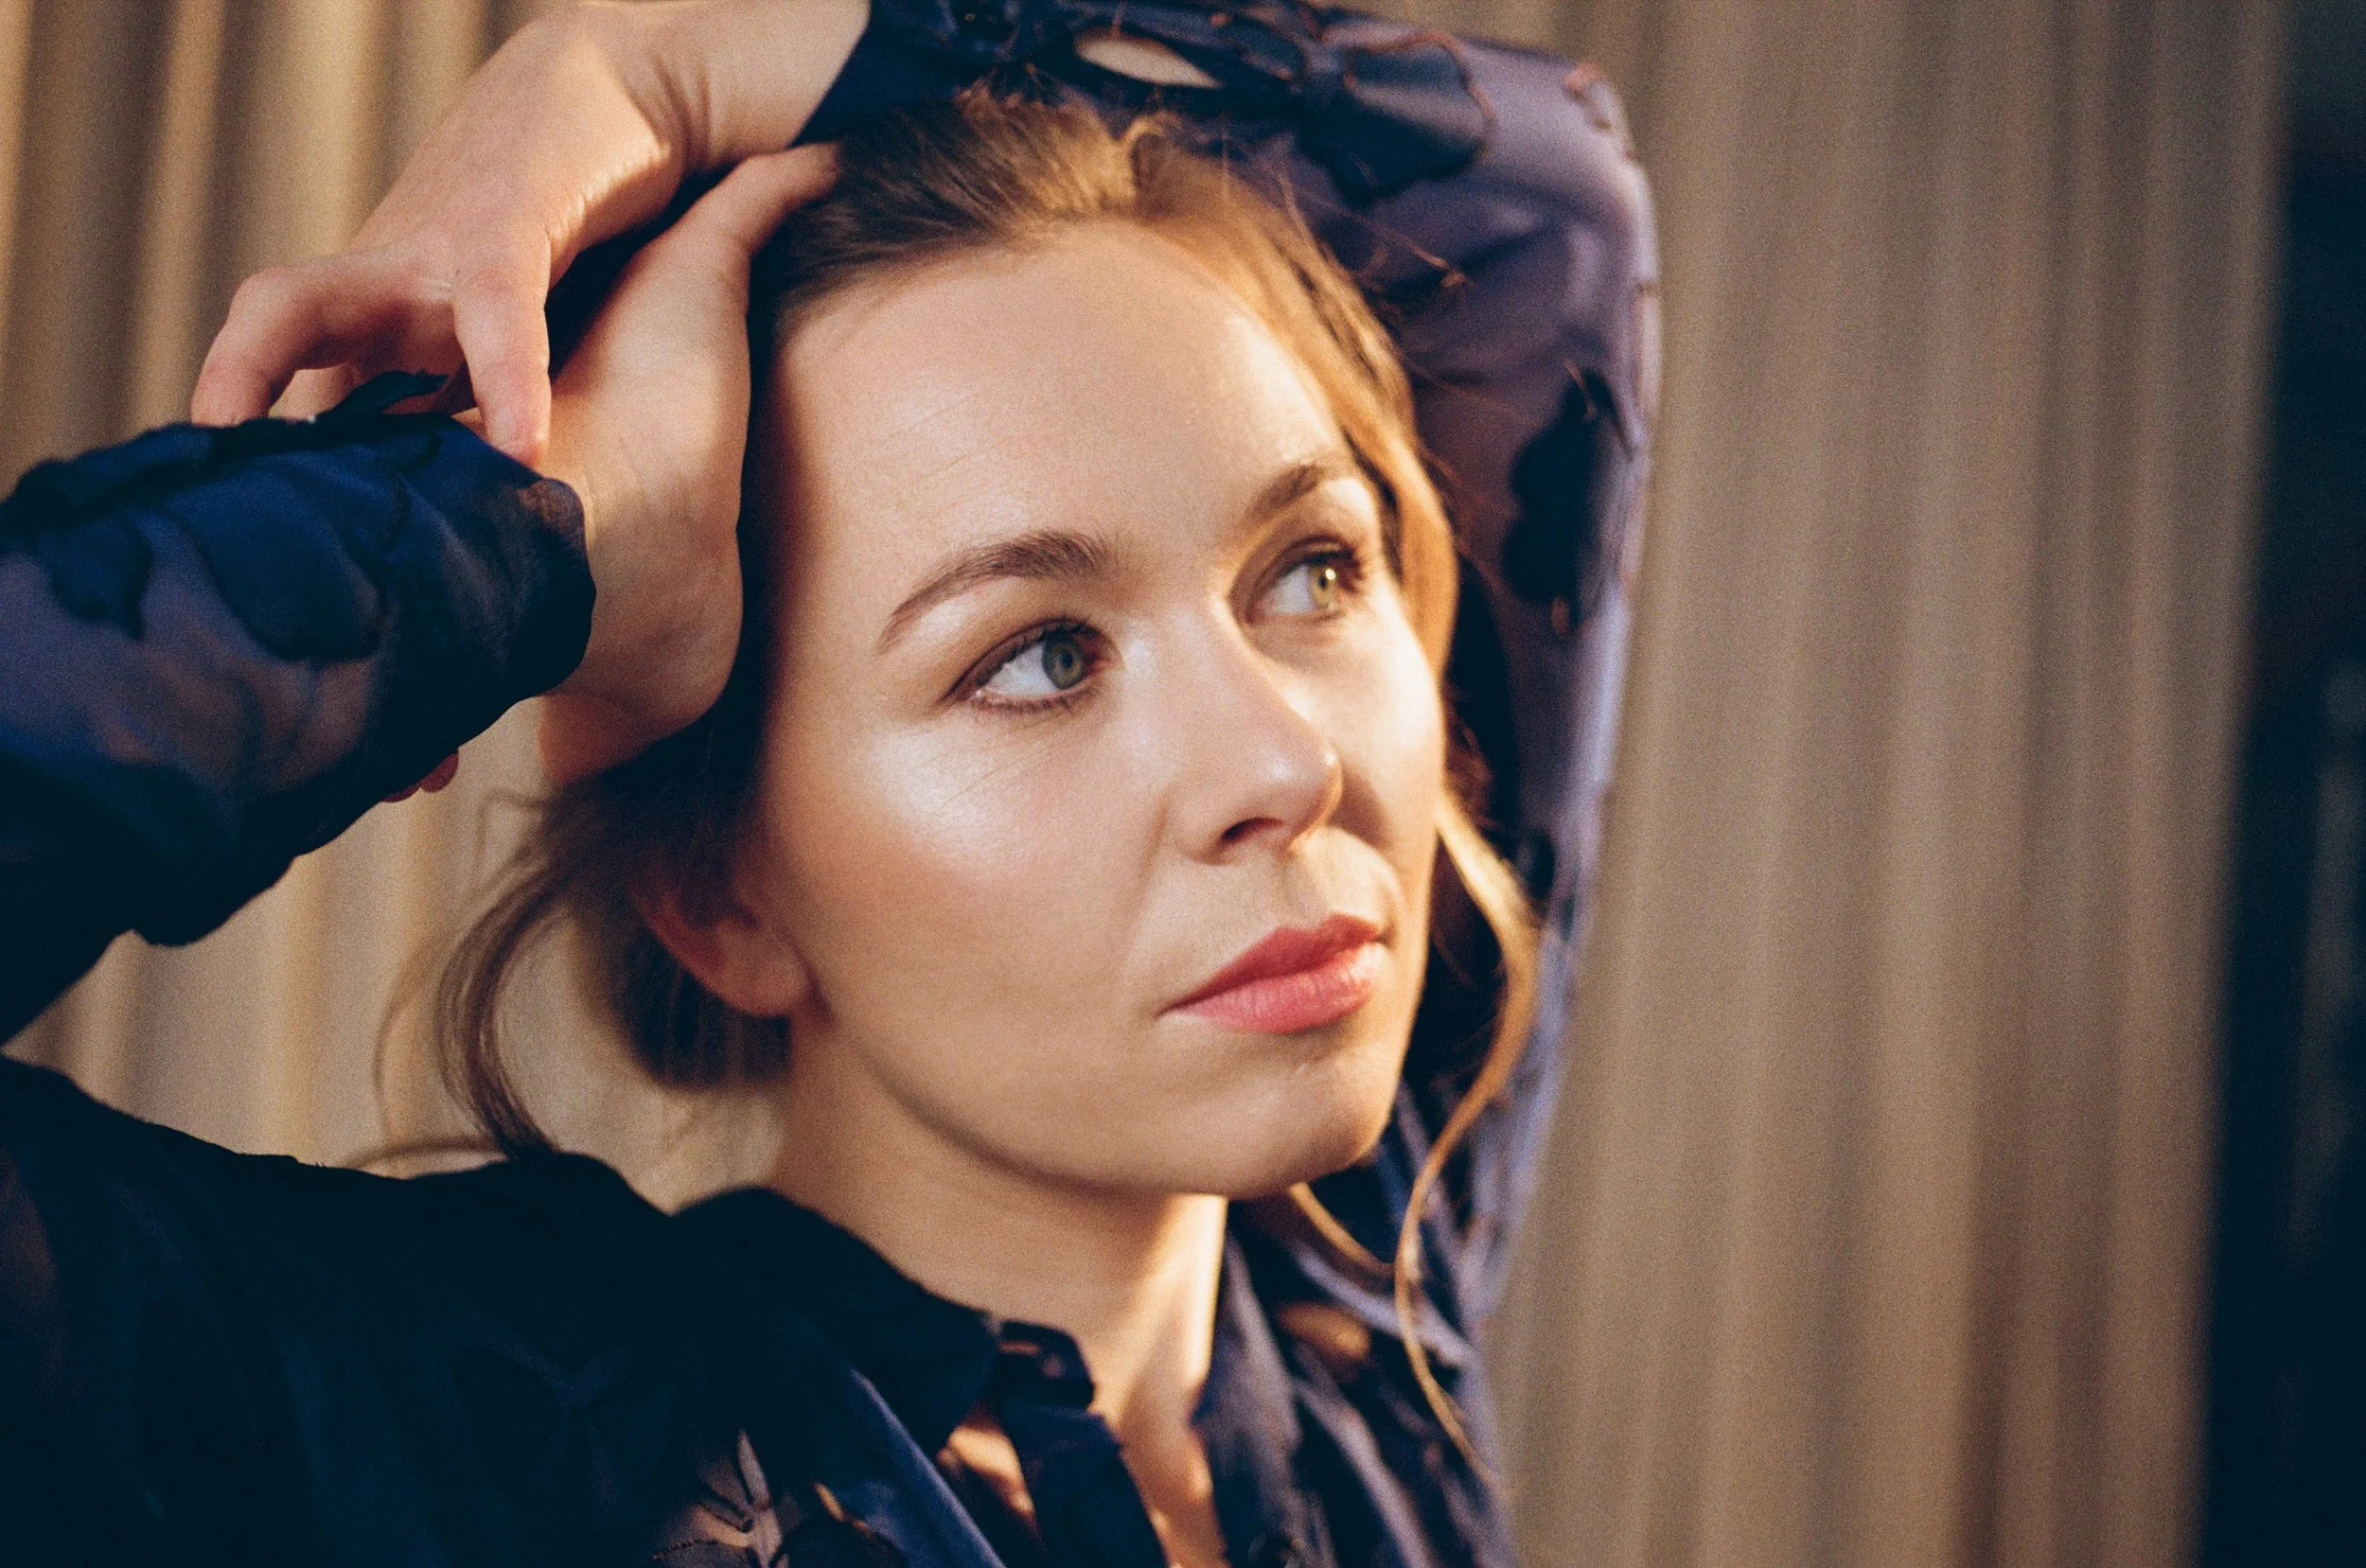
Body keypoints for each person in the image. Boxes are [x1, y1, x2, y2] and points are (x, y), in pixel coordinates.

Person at [0, 4, 1655, 1565]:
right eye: (1040, 658)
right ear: (723, 891)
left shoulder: (1360, 1333)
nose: (1288, 766)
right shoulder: (454, 1442)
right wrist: (513, 544)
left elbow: (1543, 208)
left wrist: (657, 59)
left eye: (1309, 571)